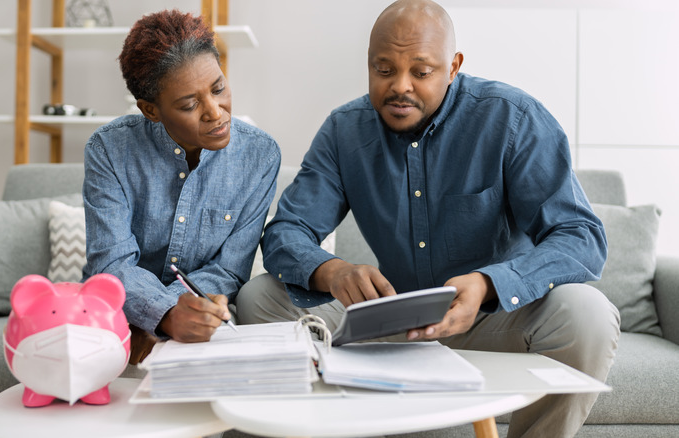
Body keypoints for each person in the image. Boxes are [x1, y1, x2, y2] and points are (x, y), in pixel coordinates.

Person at [237, 1, 619, 436]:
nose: (401, 87)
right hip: (384, 321)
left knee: (588, 315)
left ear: (453, 66)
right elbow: (287, 232)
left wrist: (490, 283)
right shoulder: (344, 131)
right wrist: (331, 270)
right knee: (259, 298)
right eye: (383, 70)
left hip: (489, 319)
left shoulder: (512, 118)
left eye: (421, 72)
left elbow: (580, 236)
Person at [82, 10, 280, 361]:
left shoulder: (260, 156)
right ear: (151, 110)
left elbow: (229, 268)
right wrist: (162, 315)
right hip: (115, 311)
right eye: (190, 104)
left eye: (218, 89)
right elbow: (111, 264)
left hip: (204, 311)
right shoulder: (109, 149)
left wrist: (172, 316)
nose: (215, 112)